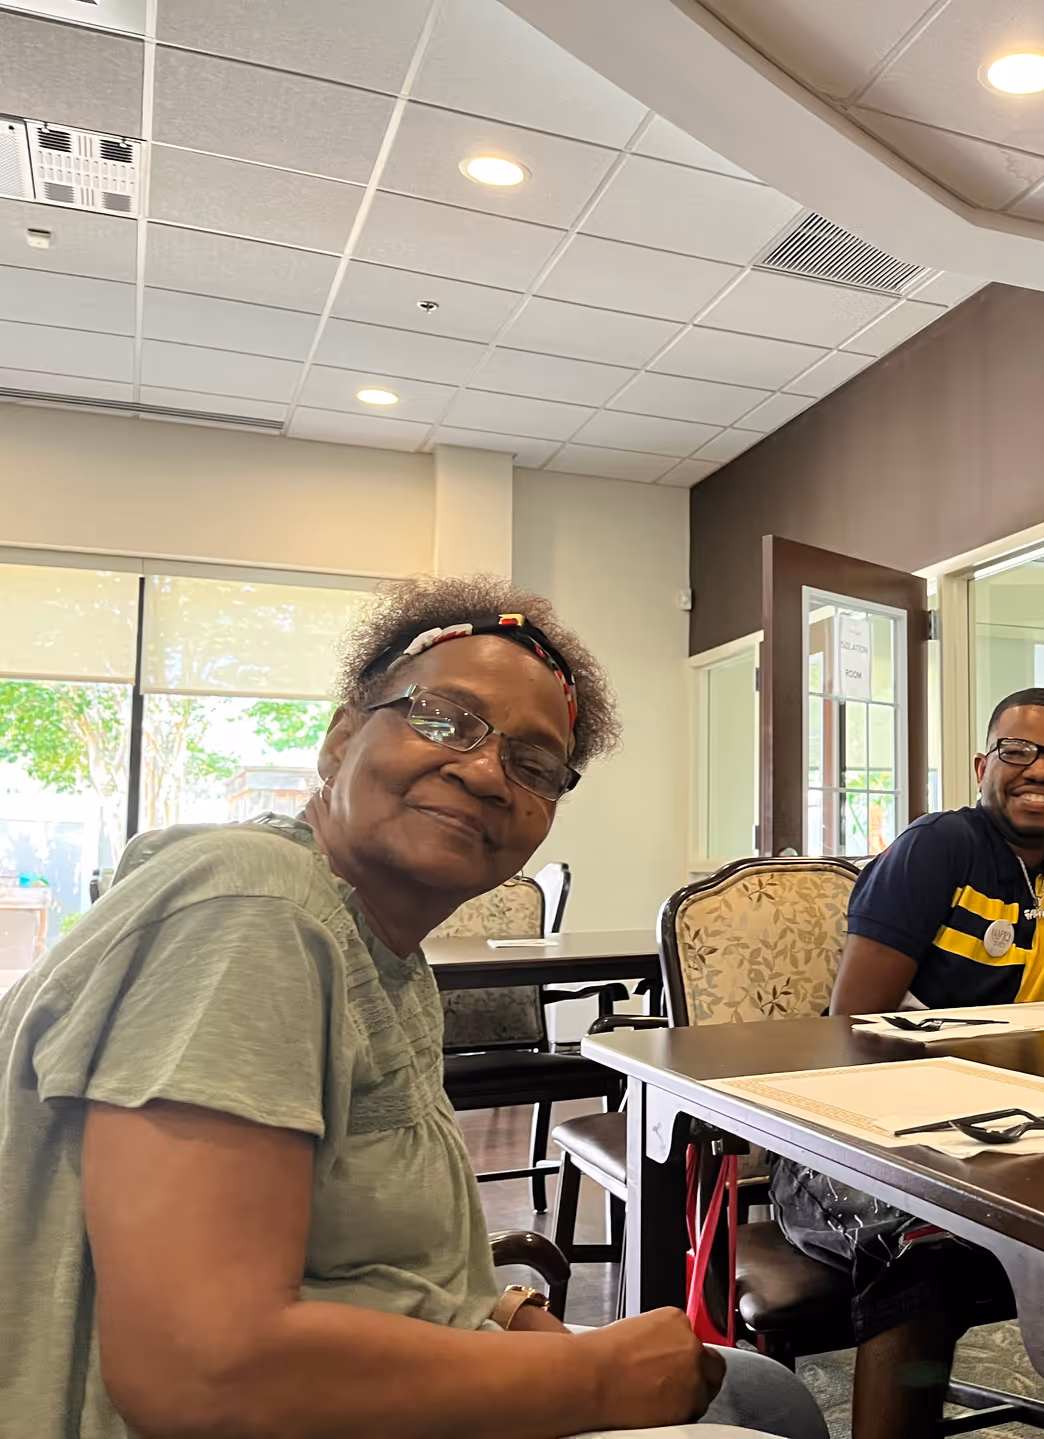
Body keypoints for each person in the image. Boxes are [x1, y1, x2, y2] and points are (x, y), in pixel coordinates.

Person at [0, 574, 828, 1439]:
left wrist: (502, 1312)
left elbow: (346, 1246)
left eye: (533, 762)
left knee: (766, 1392)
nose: (483, 772)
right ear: (339, 738)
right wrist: (587, 1378)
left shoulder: (385, 956)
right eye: (443, 719)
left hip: (395, 1349)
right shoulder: (252, 910)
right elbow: (200, 1372)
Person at [772, 687, 1044, 1439]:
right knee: (923, 1243)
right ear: (981, 765)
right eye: (1018, 751)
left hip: (1019, 1135)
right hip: (861, 1140)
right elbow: (854, 1029)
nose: (1042, 770)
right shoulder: (939, 847)